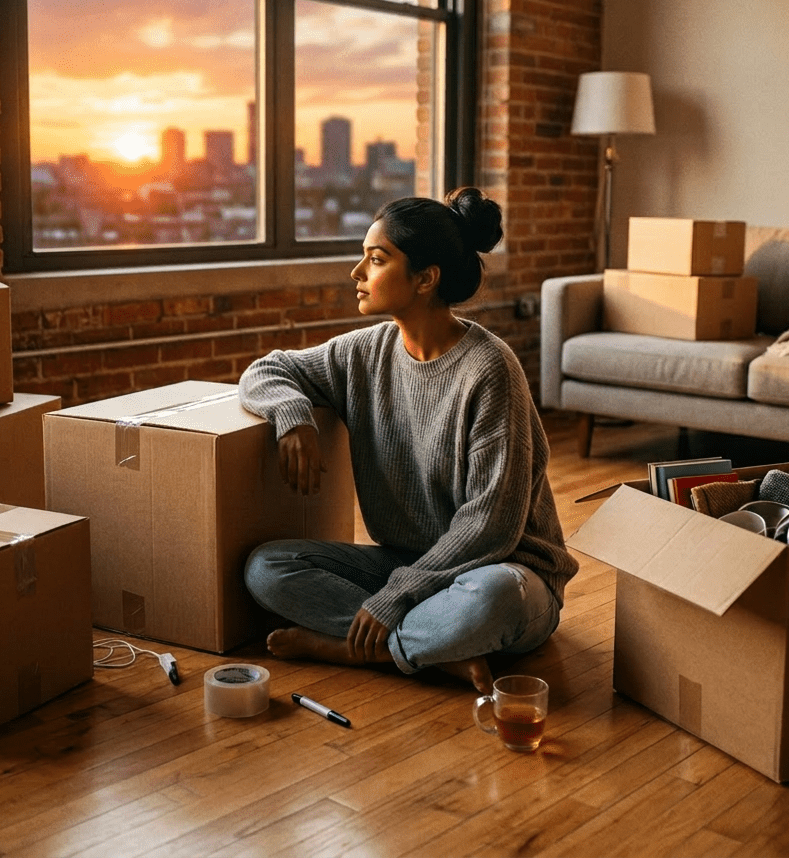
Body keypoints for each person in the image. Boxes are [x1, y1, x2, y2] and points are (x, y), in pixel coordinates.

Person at [238, 187, 579, 693]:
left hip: (505, 571)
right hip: (408, 561)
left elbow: (491, 526)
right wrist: (294, 415)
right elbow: (268, 369)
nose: (357, 274)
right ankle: (429, 652)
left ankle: (353, 649)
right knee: (267, 568)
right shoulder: (364, 352)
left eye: (376, 260)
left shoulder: (490, 369)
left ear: (425, 278)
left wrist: (399, 593)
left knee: (494, 599)